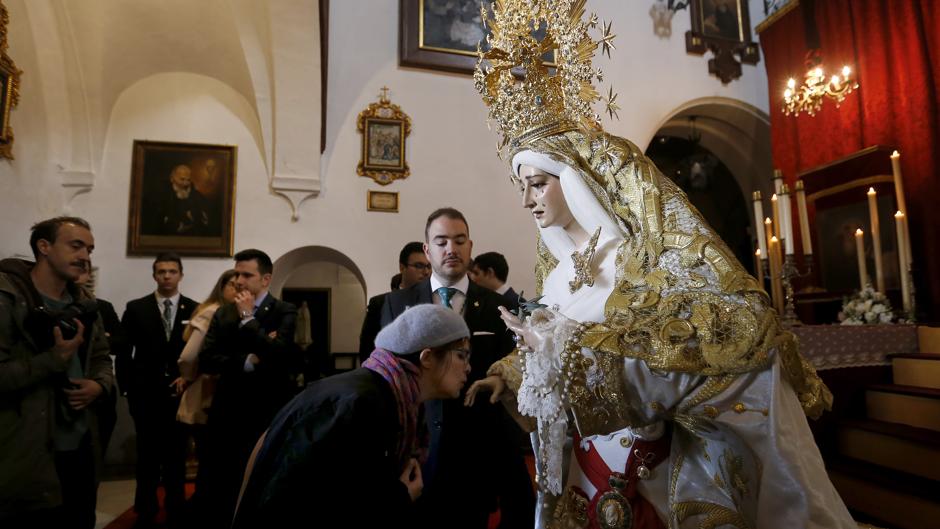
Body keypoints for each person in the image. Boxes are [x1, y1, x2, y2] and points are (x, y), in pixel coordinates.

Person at [468, 5, 856, 528]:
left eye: (538, 183)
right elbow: (555, 349)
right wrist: (511, 373)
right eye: (523, 186)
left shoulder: (638, 260)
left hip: (660, 470)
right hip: (587, 470)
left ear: (574, 181)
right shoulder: (558, 275)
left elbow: (705, 345)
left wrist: (569, 355)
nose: (528, 200)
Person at [232, 304, 472, 528]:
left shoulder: (386, 396)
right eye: (462, 355)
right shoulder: (359, 404)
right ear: (427, 357)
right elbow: (313, 504)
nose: (468, 368)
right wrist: (400, 497)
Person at [381, 208, 535, 529]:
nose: (451, 249)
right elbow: (388, 376)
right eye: (441, 242)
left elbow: (517, 368)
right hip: (417, 452)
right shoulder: (399, 303)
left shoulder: (498, 308)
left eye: (459, 241)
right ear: (427, 250)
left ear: (470, 246)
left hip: (476, 453)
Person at [0, 217, 113, 528]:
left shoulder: (85, 303)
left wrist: (99, 385)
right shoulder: (7, 297)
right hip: (25, 450)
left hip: (79, 447)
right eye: (75, 246)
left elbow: (102, 357)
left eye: (89, 249)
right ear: (44, 247)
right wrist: (55, 358)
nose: (85, 256)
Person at [198, 249, 298, 528]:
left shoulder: (283, 311)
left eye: (246, 275)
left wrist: (248, 321)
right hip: (228, 408)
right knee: (224, 480)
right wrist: (249, 360)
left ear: (265, 279)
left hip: (267, 408)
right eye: (236, 274)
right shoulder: (222, 313)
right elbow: (208, 359)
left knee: (264, 476)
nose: (239, 280)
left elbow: (281, 356)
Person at [119, 252, 196, 528]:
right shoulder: (137, 308)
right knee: (147, 455)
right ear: (154, 275)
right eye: (161, 271)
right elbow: (124, 352)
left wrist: (190, 379)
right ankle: (146, 507)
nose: (166, 276)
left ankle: (176, 505)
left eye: (172, 271)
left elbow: (198, 352)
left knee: (176, 454)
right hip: (145, 393)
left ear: (180, 275)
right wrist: (126, 388)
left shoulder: (194, 308)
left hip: (179, 393)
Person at [175, 269, 237, 509]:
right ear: (221, 288)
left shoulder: (230, 313)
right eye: (232, 285)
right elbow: (189, 356)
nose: (238, 290)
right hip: (205, 391)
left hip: (216, 391)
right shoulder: (212, 311)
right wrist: (188, 377)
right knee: (210, 460)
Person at [359, 241, 431, 361]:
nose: (426, 272)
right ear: (402, 267)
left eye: (429, 266)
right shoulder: (380, 304)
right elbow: (367, 349)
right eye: (419, 266)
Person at [149, 164, 211, 236]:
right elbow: (157, 219)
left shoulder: (195, 193)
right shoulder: (161, 193)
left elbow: (204, 215)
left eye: (188, 180)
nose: (185, 183)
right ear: (172, 179)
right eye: (182, 179)